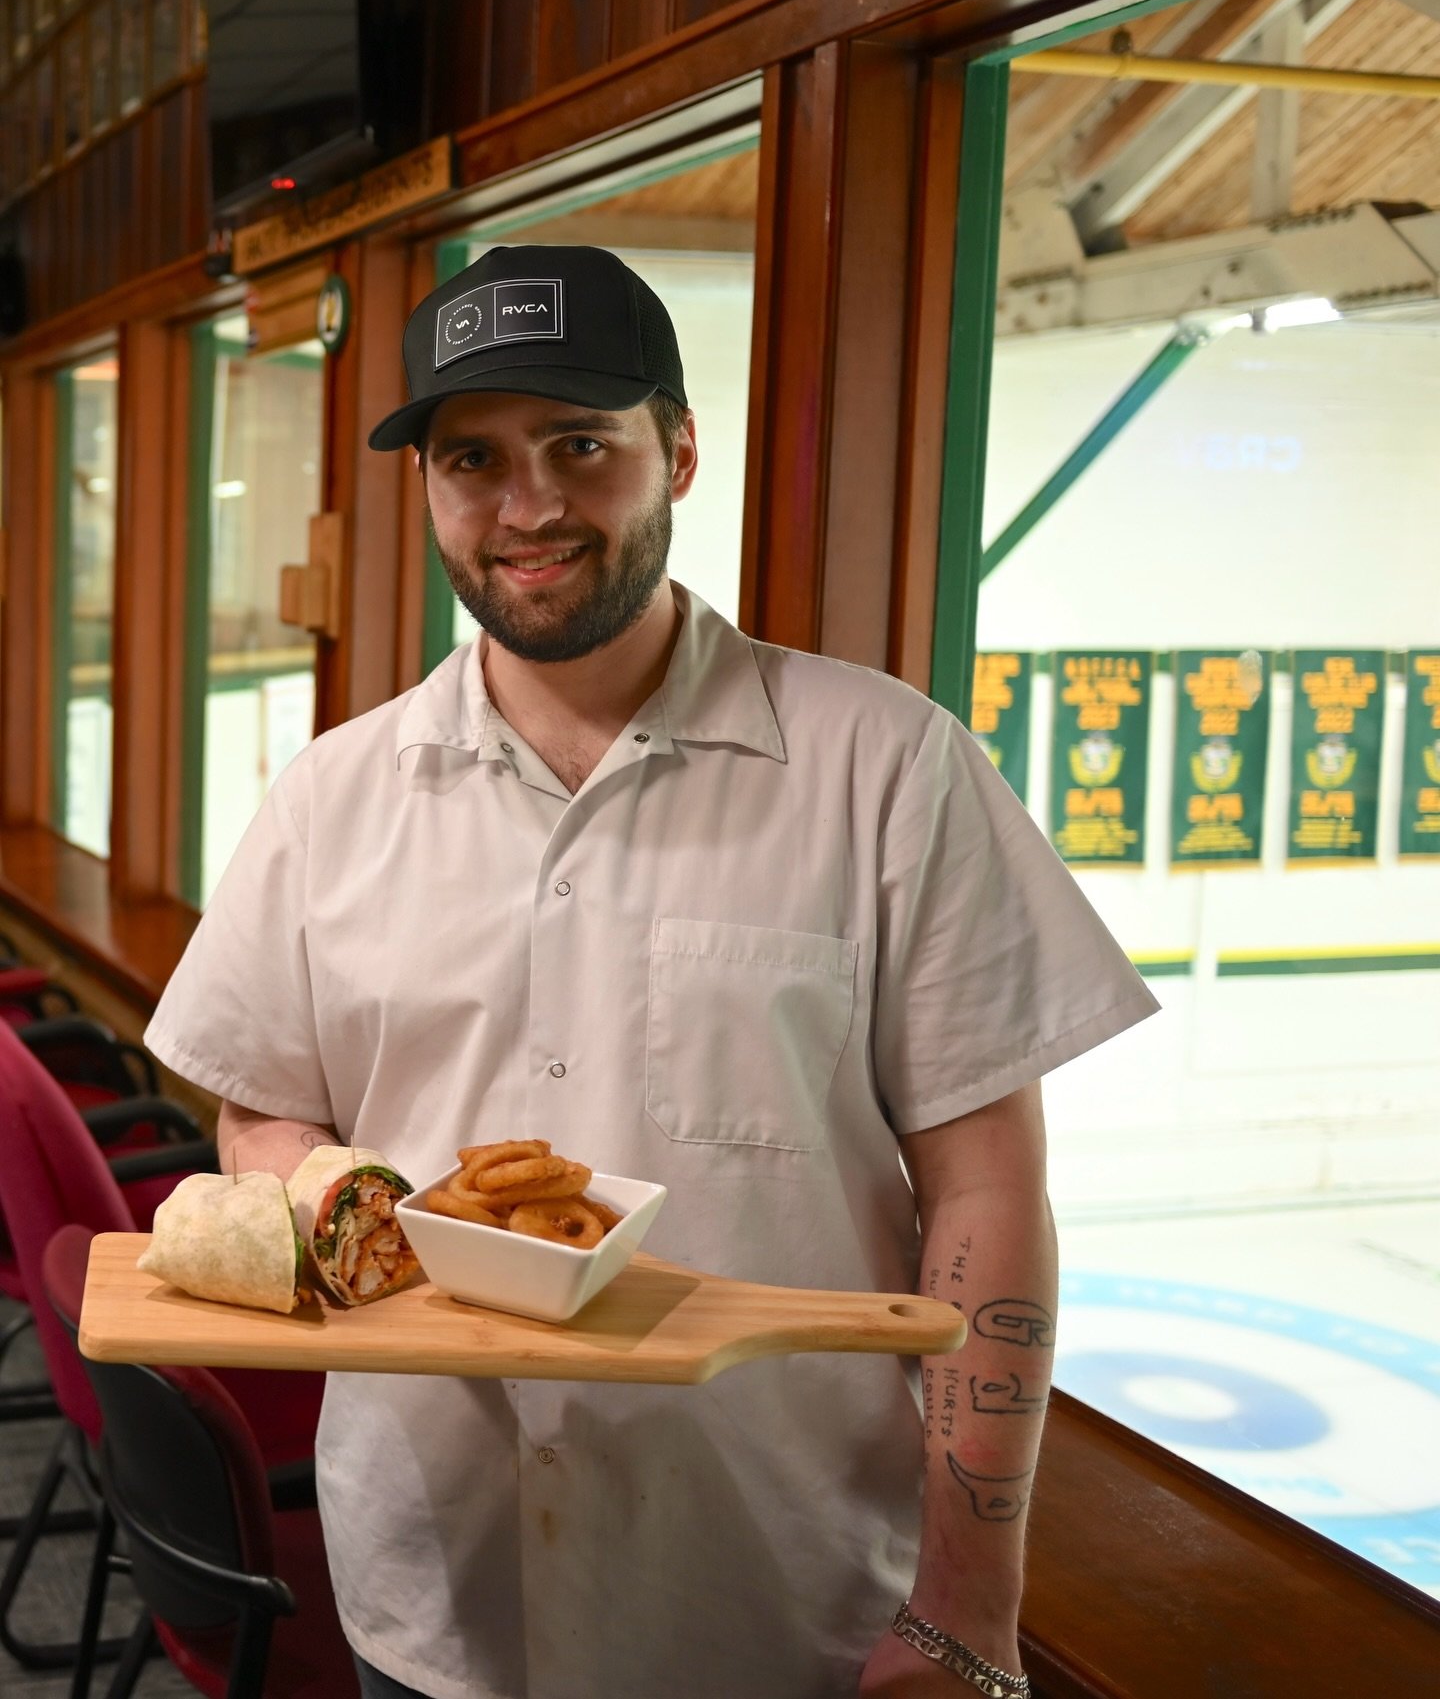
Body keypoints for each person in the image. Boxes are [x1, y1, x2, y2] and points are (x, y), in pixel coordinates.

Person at [145, 244, 1158, 1699]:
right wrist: (329, 1190)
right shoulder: (331, 796)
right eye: (472, 458)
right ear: (427, 486)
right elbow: (260, 1109)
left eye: (581, 443)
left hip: (777, 1597)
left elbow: (987, 1186)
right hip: (437, 1596)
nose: (530, 505)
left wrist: (966, 1597)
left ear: (678, 448)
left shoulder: (888, 767)